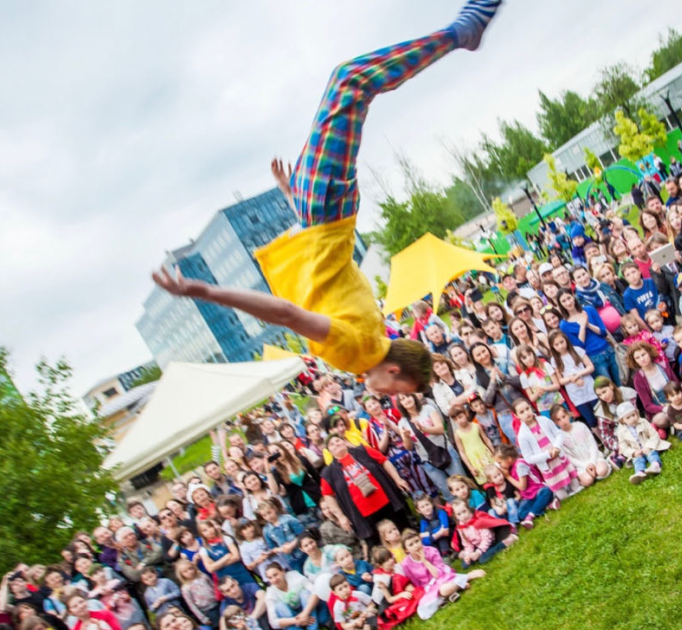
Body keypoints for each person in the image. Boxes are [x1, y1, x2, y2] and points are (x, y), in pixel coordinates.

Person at [151, 1, 506, 396]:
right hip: (323, 213)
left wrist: (291, 197)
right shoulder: (358, 350)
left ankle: (460, 33)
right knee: (351, 80)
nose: (387, 396)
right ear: (393, 371)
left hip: (316, 214)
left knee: (348, 81)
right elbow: (288, 313)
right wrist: (205, 292)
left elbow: (330, 273)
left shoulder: (375, 330)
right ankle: (461, 33)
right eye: (397, 391)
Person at [318, 435, 414, 546]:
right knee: (378, 544)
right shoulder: (328, 472)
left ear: (344, 441)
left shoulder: (362, 451)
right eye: (332, 444)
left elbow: (384, 461)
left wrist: (397, 479)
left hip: (386, 502)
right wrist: (340, 516)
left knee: (403, 530)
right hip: (364, 515)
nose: (336, 444)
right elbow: (327, 495)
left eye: (337, 440)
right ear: (329, 451)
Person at [398, 531, 484, 620]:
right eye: (411, 545)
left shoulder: (431, 551)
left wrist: (425, 561)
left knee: (444, 590)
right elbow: (417, 584)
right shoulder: (406, 564)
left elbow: (438, 575)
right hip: (428, 587)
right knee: (423, 610)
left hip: (442, 577)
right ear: (406, 550)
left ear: (420, 540)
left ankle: (467, 577)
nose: (416, 545)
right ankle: (455, 589)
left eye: (417, 541)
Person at [513, 399, 580, 501]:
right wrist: (547, 454)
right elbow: (528, 458)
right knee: (563, 497)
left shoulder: (544, 420)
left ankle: (571, 484)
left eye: (527, 408)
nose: (526, 413)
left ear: (531, 407)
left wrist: (556, 446)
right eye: (522, 412)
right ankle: (557, 494)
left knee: (576, 486)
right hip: (548, 466)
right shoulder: (522, 435)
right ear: (517, 415)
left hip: (559, 458)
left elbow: (558, 434)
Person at [549, 406, 610, 485]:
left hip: (595, 458)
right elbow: (568, 457)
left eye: (564, 417)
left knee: (601, 471)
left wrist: (592, 462)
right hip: (580, 466)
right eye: (558, 420)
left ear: (568, 414)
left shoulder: (580, 426)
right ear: (555, 423)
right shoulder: (559, 437)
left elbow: (592, 444)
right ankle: (585, 477)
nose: (563, 421)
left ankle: (602, 467)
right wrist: (585, 466)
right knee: (588, 480)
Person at [613, 402, 664, 485]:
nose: (632, 418)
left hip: (647, 447)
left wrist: (648, 446)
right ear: (622, 420)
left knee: (652, 454)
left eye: (633, 415)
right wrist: (633, 453)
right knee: (637, 460)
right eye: (628, 418)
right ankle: (640, 473)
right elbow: (624, 447)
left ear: (636, 413)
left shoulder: (643, 422)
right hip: (637, 452)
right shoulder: (621, 432)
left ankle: (655, 465)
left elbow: (654, 435)